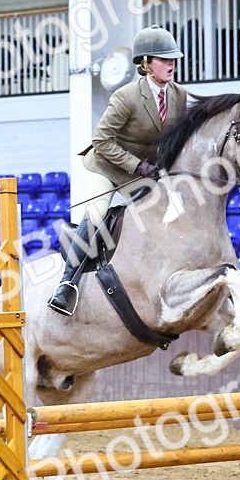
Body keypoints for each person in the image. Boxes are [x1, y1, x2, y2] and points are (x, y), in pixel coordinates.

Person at [47, 24, 188, 316]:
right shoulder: (126, 97)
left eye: (173, 58)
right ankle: (67, 284)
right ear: (147, 64)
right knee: (98, 214)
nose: (171, 64)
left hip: (143, 173)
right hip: (108, 166)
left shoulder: (180, 96)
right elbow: (101, 140)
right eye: (164, 59)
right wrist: (137, 165)